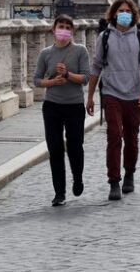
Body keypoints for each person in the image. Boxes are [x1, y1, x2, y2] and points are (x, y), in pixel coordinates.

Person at [86, 0, 140, 201]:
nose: (124, 13)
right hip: (111, 93)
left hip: (133, 94)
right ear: (114, 14)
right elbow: (96, 66)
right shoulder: (105, 37)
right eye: (120, 10)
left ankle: (129, 173)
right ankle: (114, 181)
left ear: (133, 14)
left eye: (128, 11)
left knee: (132, 138)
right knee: (114, 136)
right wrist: (89, 96)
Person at [33, 15, 90, 207]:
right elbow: (37, 80)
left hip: (74, 105)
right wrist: (53, 82)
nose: (63, 30)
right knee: (55, 149)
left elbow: (85, 78)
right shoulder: (45, 53)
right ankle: (59, 192)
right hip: (52, 106)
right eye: (61, 26)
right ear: (53, 30)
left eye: (67, 27)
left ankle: (78, 178)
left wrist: (67, 74)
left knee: (75, 146)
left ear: (72, 31)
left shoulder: (80, 50)